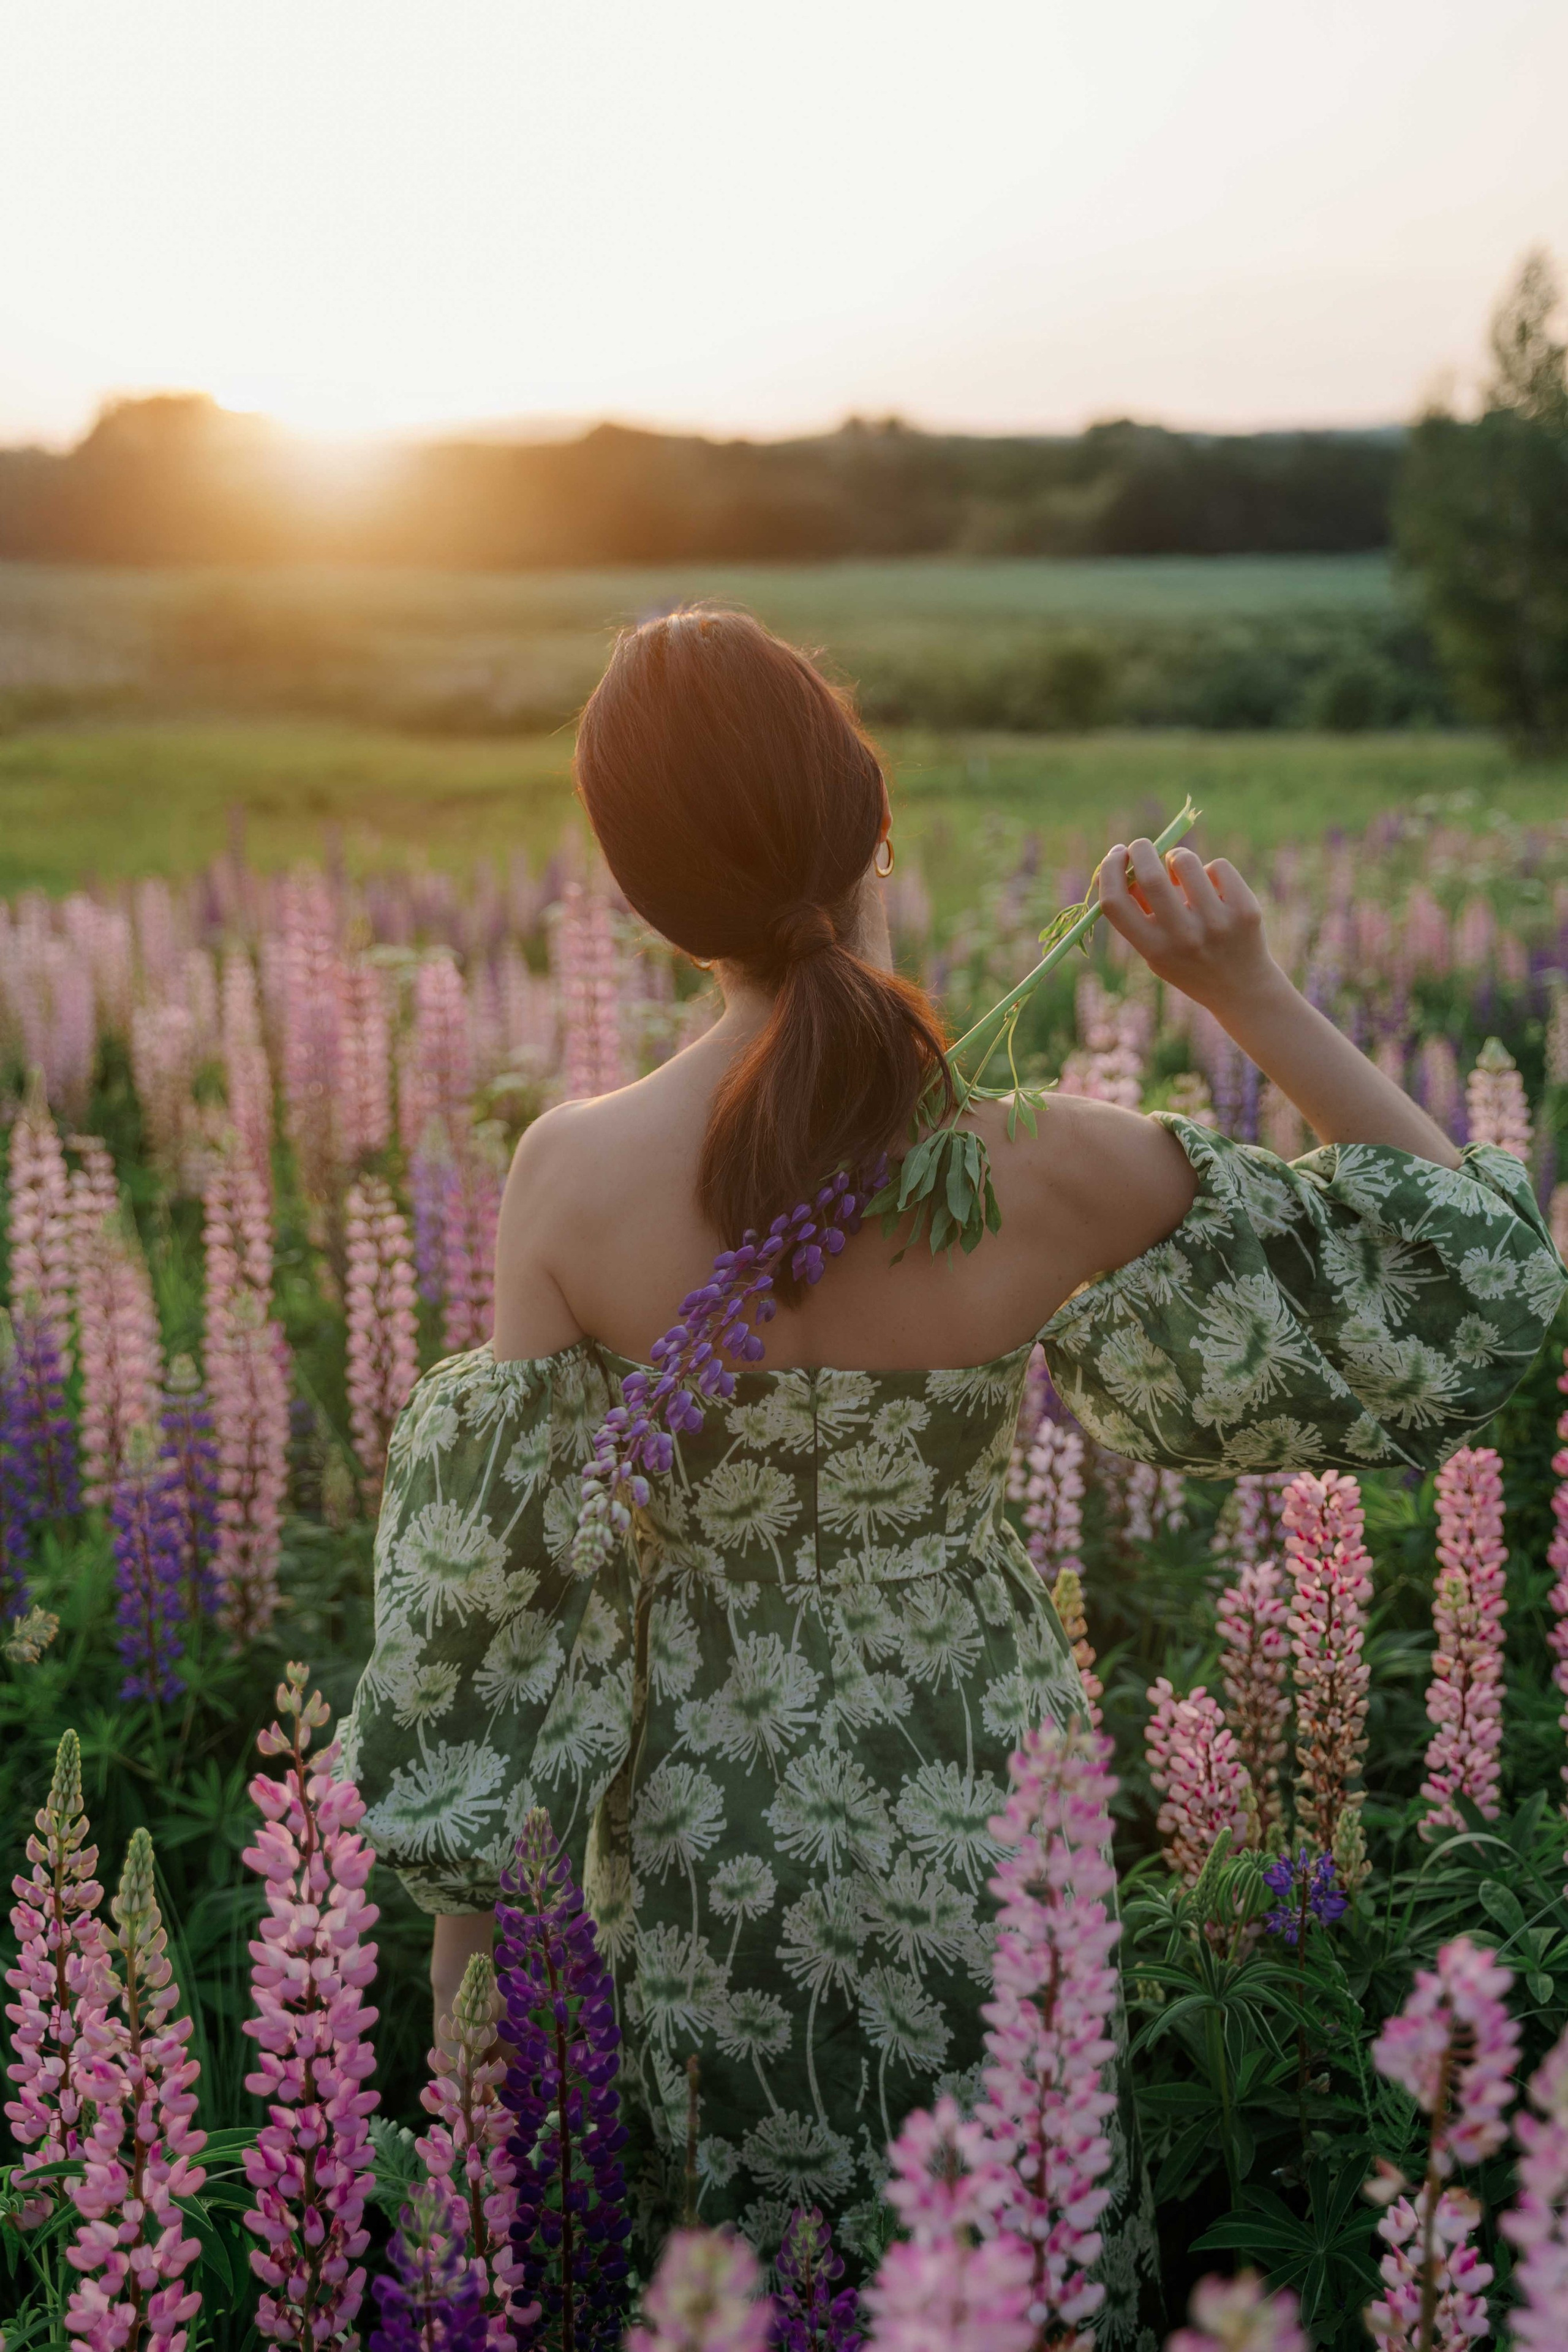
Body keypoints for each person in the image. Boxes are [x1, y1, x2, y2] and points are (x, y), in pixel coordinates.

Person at [342, 609, 1565, 2324]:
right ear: (877, 832)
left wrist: (468, 2017)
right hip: (986, 1796)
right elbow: (1475, 1283)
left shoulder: (571, 1176)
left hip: (700, 1823)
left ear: (646, 899)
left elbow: (497, 1615)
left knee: (724, 2275)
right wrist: (1249, 991)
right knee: (1018, 2229)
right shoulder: (1039, 1163)